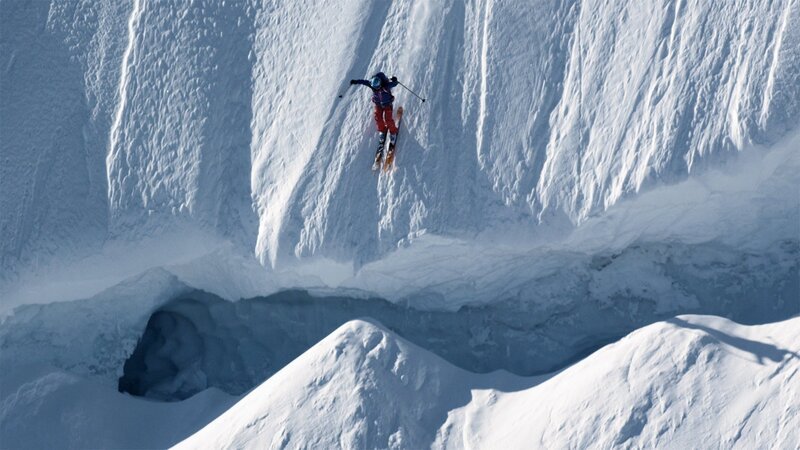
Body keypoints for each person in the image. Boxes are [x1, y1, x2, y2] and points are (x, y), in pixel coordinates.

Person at [350, 72, 400, 159]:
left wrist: (395, 80)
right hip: (378, 105)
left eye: (377, 87)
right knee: (378, 117)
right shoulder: (371, 84)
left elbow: (395, 84)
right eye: (374, 88)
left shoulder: (386, 86)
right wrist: (356, 81)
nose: (376, 89)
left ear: (380, 84)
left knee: (388, 119)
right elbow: (364, 82)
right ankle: (382, 130)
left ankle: (393, 132)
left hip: (387, 104)